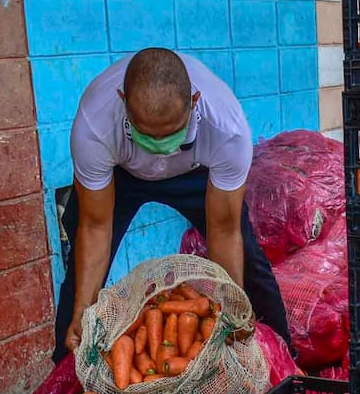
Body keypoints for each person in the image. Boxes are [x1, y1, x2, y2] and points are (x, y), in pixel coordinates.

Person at [53, 47, 290, 363]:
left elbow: (224, 229)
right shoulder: (94, 126)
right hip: (121, 174)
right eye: (146, 136)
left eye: (171, 135)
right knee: (81, 274)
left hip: (195, 172)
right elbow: (95, 228)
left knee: (247, 256)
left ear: (195, 101)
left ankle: (283, 359)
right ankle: (66, 372)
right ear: (122, 101)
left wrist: (231, 310)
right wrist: (84, 309)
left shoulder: (227, 129)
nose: (159, 149)